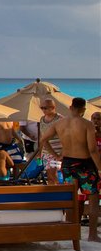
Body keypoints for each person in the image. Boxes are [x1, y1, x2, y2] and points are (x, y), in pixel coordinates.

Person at [40, 97, 101, 242]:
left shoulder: (59, 123)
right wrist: (99, 169)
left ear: (70, 107)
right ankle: (92, 235)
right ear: (84, 110)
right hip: (85, 164)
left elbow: (43, 140)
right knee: (93, 198)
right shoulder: (87, 124)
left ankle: (70, 232)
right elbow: (92, 150)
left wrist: (56, 156)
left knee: (72, 198)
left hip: (67, 164)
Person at [38, 99, 64, 185]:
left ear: (53, 107)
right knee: (49, 176)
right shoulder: (42, 119)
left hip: (57, 151)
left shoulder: (60, 119)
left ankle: (58, 194)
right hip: (46, 152)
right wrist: (39, 152)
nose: (43, 110)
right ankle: (52, 194)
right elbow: (42, 136)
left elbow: (65, 137)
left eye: (45, 108)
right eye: (41, 108)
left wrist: (61, 154)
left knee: (54, 175)